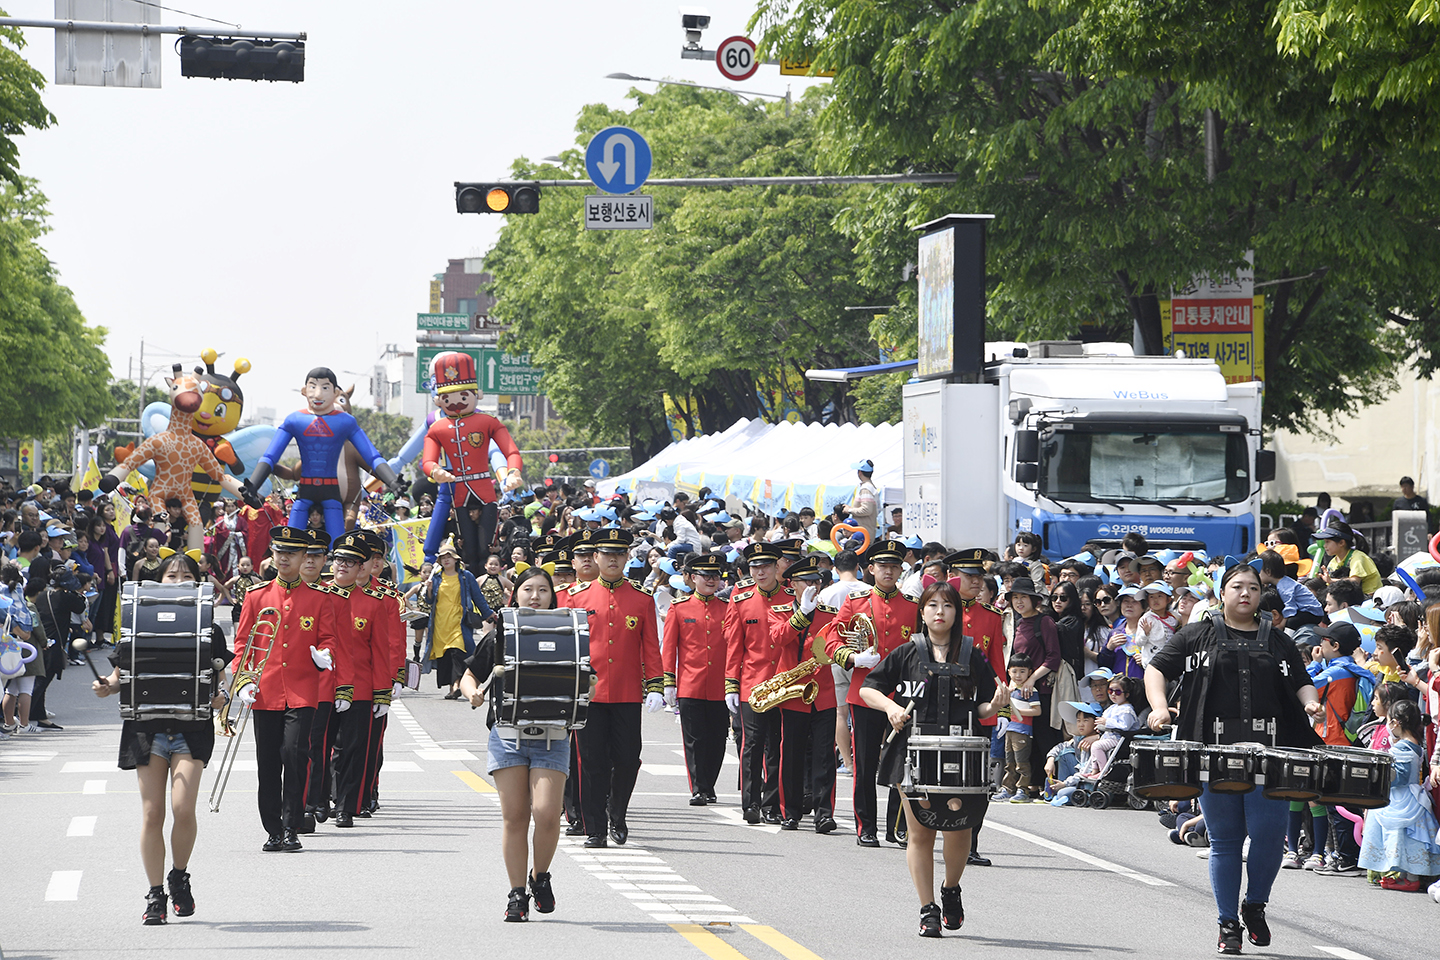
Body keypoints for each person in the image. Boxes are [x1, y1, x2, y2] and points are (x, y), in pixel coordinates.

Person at [1144, 562, 1323, 955]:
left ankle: (1255, 905)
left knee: (1270, 837)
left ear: (1261, 595)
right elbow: (1156, 669)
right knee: (1225, 840)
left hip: (1271, 753)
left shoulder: (1278, 640)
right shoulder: (1195, 635)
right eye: (1237, 587)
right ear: (1222, 593)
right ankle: (1227, 924)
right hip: (1213, 750)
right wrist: (1159, 707)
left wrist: (1312, 705)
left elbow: (1301, 682)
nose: (1245, 593)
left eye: (1253, 588)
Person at [91, 552, 233, 924]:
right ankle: (155, 895)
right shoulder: (139, 620)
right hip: (146, 726)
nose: (180, 580)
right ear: (157, 581)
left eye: (187, 575)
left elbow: (220, 679)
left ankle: (178, 877)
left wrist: (222, 697)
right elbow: (122, 671)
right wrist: (107, 687)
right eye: (172, 575)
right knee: (152, 813)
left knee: (183, 808)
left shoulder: (209, 626)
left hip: (192, 726)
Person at [859, 582, 1005, 937]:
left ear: (957, 613)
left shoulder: (972, 654)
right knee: (920, 832)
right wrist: (892, 707)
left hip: (963, 754)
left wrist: (997, 704)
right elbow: (868, 688)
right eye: (932, 605)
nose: (940, 611)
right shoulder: (907, 652)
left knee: (959, 829)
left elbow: (983, 706)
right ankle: (927, 909)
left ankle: (951, 889)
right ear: (922, 612)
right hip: (912, 754)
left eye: (948, 605)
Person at [461, 565, 568, 921]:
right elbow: (471, 674)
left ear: (552, 596)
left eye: (542, 590)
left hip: (552, 736)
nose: (535, 596)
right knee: (516, 817)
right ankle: (516, 894)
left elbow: (587, 675)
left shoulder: (568, 632)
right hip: (507, 736)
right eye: (528, 590)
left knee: (547, 814)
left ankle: (540, 877)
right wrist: (473, 692)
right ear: (515, 594)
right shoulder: (501, 635)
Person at [231, 525, 339, 853]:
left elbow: (329, 639)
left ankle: (292, 826)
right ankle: (273, 829)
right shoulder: (257, 596)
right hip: (264, 691)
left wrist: (326, 656)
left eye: (291, 554)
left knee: (294, 755)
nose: (284, 559)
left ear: (304, 557)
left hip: (303, 691)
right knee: (267, 763)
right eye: (279, 552)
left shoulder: (319, 598)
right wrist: (244, 682)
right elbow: (243, 644)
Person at [819, 538, 921, 847]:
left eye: (895, 566)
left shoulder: (912, 606)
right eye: (883, 566)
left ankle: (897, 827)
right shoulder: (857, 601)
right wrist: (852, 658)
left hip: (902, 695)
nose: (889, 572)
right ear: (871, 569)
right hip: (864, 692)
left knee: (902, 762)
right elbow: (829, 640)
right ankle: (866, 826)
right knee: (864, 762)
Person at [566, 526, 664, 847]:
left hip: (626, 694)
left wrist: (657, 686)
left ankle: (617, 812)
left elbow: (650, 646)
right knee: (591, 762)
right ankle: (595, 828)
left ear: (627, 557)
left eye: (619, 554)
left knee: (627, 758)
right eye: (606, 554)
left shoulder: (641, 597)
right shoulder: (577, 598)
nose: (612, 559)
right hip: (589, 694)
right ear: (595, 557)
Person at [663, 553, 730, 807]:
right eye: (705, 575)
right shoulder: (679, 608)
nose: (711, 580)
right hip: (690, 684)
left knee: (717, 738)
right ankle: (699, 787)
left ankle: (709, 784)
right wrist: (668, 681)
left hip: (719, 686)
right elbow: (669, 648)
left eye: (715, 576)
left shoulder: (726, 609)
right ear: (692, 578)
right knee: (694, 739)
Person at [1358, 699, 1440, 889]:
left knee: (1401, 834)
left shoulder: (1403, 747)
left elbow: (1399, 777)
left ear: (1396, 723)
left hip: (1400, 796)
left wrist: (1379, 773)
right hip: (1411, 795)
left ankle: (1411, 879)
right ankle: (1407, 876)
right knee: (1409, 836)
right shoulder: (1416, 743)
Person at [422, 539, 493, 699]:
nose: (446, 559)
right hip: (440, 623)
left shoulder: (466, 576)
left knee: (458, 652)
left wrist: (488, 614)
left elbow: (478, 597)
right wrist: (429, 590)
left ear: (456, 559)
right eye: (443, 557)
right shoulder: (436, 578)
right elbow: (429, 601)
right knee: (446, 657)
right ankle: (452, 687)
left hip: (459, 623)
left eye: (449, 556)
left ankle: (456, 685)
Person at [998, 653, 1041, 801]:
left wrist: (1018, 711)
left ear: (1030, 672)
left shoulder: (1030, 690)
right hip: (1009, 730)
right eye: (1014, 671)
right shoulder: (1011, 690)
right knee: (1009, 762)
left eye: (1022, 671)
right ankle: (1008, 788)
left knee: (1021, 763)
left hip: (1022, 731)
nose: (1018, 675)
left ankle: (1023, 790)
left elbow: (1037, 711)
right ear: (1009, 671)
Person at [1088, 675, 1140, 773]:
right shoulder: (1112, 708)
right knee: (1094, 746)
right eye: (1110, 691)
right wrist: (1100, 726)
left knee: (1097, 746)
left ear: (1127, 694)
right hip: (1109, 736)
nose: (1113, 694)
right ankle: (1094, 770)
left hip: (1119, 739)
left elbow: (1125, 726)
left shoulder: (1127, 709)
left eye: (1118, 692)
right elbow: (1104, 720)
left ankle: (1104, 771)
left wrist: (1107, 723)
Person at [1314, 521, 1382, 595]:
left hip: (1369, 601)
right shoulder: (1333, 562)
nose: (1325, 546)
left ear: (1341, 543)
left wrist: (1331, 580)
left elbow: (1355, 582)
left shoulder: (1358, 558)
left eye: (1327, 542)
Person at [845, 459, 880, 536]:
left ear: (860, 472)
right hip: (866, 531)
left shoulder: (866, 489)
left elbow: (867, 510)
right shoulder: (871, 487)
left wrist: (849, 510)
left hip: (863, 533)